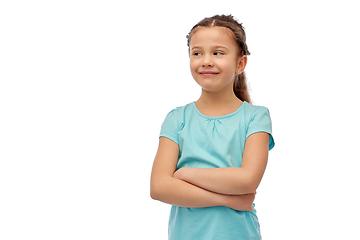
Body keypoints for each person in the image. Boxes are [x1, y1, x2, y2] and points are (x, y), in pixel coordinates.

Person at [150, 14, 275, 240]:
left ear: (240, 63)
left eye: (217, 53)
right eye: (197, 53)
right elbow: (159, 187)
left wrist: (185, 174)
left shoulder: (256, 118)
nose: (206, 60)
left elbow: (247, 180)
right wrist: (229, 199)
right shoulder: (177, 119)